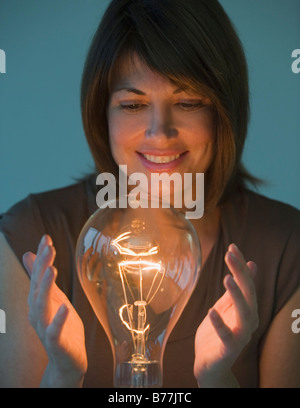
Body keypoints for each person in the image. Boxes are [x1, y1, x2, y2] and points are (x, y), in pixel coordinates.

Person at [0, 0, 300, 388]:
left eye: (188, 102)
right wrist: (62, 374)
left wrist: (218, 379)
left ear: (224, 111)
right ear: (101, 113)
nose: (160, 132)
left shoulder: (285, 247)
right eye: (133, 104)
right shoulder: (32, 234)